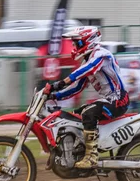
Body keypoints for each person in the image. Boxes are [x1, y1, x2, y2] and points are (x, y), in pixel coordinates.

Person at [50, 26, 130, 169]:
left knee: (89, 113)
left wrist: (61, 83)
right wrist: (54, 95)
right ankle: (75, 152)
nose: (74, 46)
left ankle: (92, 156)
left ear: (89, 41)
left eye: (77, 43)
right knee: (74, 115)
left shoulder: (101, 55)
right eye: (74, 43)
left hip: (118, 99)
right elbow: (77, 87)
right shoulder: (88, 59)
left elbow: (88, 69)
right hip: (108, 100)